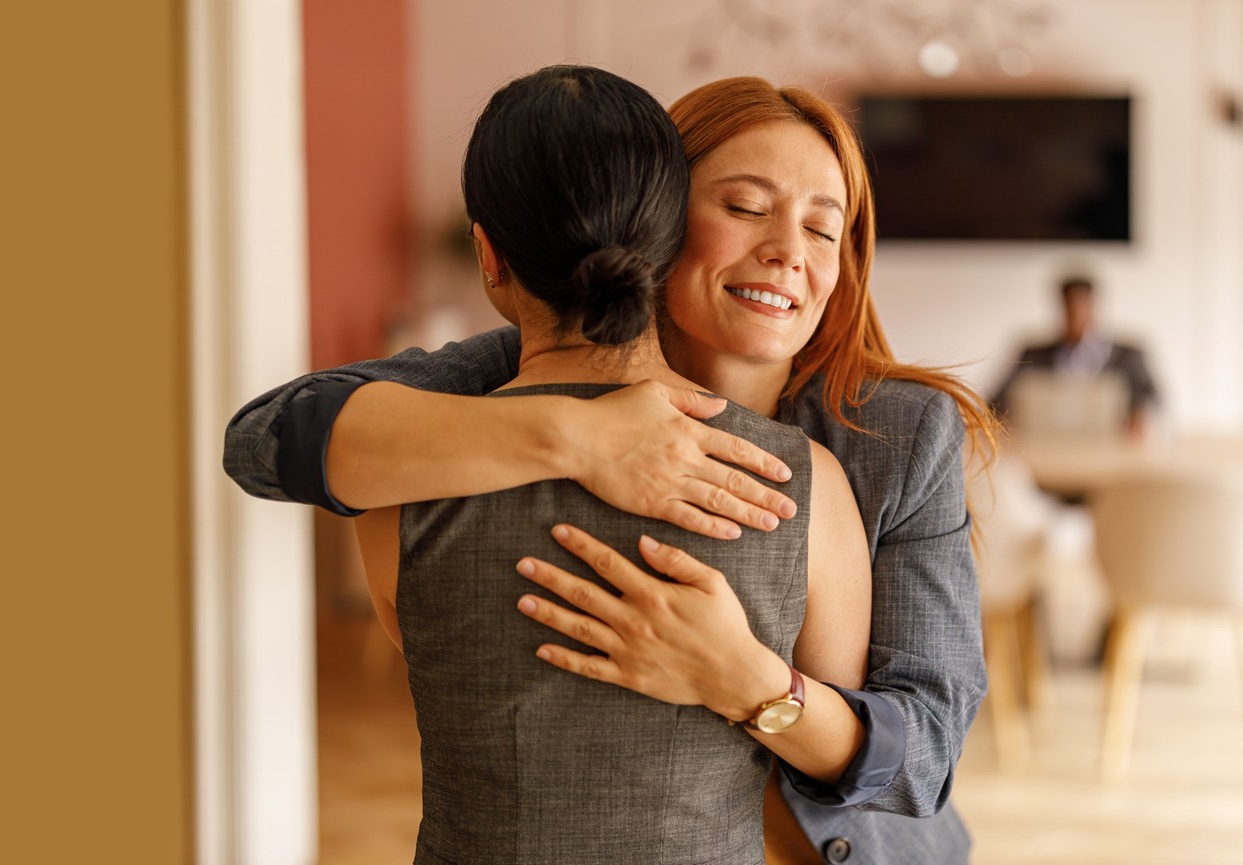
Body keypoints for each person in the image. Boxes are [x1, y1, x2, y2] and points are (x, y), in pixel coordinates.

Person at [226, 76, 1000, 864]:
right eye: (745, 207)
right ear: (657, 218)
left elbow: (924, 757)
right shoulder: (503, 368)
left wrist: (745, 679)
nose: (788, 252)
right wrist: (577, 432)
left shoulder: (893, 437)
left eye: (823, 229)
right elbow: (265, 438)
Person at [351, 65, 872, 864]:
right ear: (669, 244)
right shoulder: (808, 484)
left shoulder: (397, 487)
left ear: (488, 255)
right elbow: (828, 756)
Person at [990, 275, 1160, 440]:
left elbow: (1154, 401)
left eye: (1083, 305)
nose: (1077, 315)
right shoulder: (1032, 355)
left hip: (1113, 454)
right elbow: (994, 405)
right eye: (1070, 307)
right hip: (1047, 450)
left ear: (1094, 305)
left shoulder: (1129, 356)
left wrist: (1140, 416)